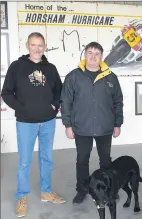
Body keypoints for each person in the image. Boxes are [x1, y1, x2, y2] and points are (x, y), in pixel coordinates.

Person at [1, 32, 65, 218]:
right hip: (26, 123)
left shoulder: (51, 68)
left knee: (47, 159)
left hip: (47, 122)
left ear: (44, 47)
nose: (37, 48)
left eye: (40, 45)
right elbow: (6, 93)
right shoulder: (17, 67)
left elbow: (59, 91)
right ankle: (22, 196)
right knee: (24, 162)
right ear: (27, 46)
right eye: (33, 45)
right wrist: (22, 109)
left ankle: (46, 191)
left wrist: (54, 106)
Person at [60, 41, 123, 204]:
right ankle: (82, 190)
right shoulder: (74, 76)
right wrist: (67, 125)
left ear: (101, 57)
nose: (93, 56)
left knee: (106, 160)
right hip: (82, 127)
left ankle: (109, 188)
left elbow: (118, 101)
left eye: (97, 53)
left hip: (105, 127)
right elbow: (65, 101)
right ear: (85, 55)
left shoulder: (111, 77)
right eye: (90, 53)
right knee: (82, 160)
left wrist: (118, 124)